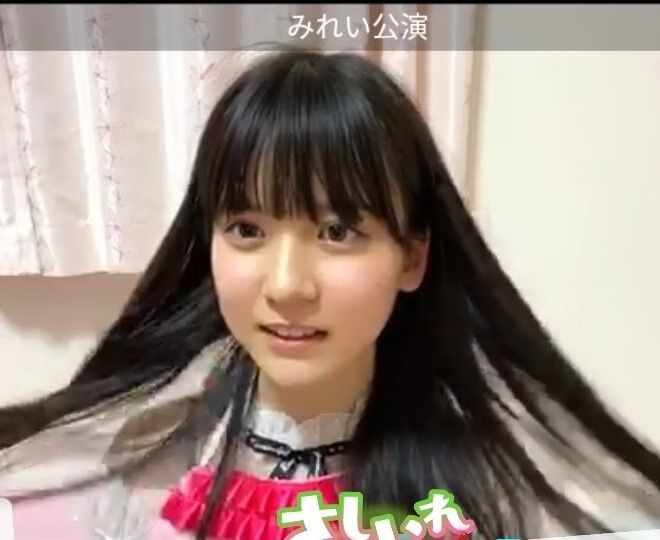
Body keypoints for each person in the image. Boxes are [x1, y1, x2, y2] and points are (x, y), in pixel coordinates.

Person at [1, 49, 659, 540]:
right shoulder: (143, 472)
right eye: (248, 229)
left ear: (412, 256)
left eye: (338, 231)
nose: (287, 285)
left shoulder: (494, 489)